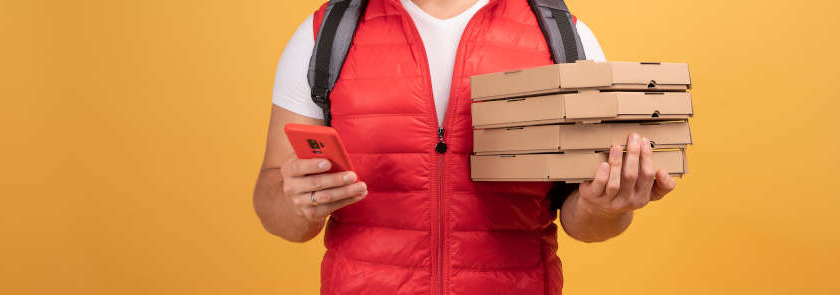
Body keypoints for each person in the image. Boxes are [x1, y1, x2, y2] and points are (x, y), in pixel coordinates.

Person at [253, 0, 677, 293]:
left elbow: (584, 223)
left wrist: (607, 205)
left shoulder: (566, 36)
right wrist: (296, 202)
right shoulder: (326, 32)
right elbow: (274, 204)